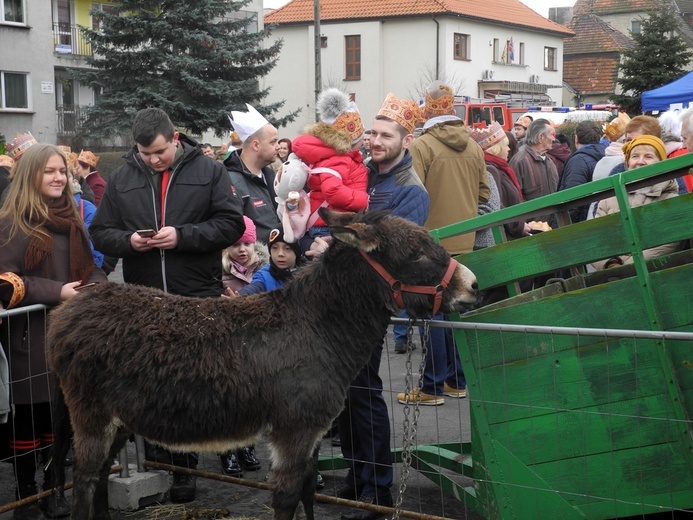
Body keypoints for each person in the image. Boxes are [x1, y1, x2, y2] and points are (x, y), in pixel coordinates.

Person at [90, 107, 244, 503]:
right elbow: (102, 232)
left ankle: (185, 470)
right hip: (145, 302)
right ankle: (158, 463)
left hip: (195, 296)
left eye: (158, 152)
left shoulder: (209, 172)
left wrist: (183, 236)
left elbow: (231, 223)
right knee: (152, 385)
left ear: (174, 139)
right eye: (145, 154)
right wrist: (130, 242)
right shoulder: (123, 177)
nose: (153, 160)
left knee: (193, 386)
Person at [335, 92, 430, 520]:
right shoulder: (360, 174)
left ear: (405, 140)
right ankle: (356, 479)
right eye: (371, 132)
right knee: (345, 394)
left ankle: (377, 491)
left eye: (385, 134)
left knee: (364, 392)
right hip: (336, 300)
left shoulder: (411, 192)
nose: (374, 140)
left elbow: (392, 255)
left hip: (367, 306)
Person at [0, 144, 107, 519]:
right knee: (32, 419)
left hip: (71, 338)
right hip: (29, 337)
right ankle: (27, 495)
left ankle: (54, 491)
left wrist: (96, 285)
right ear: (31, 175)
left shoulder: (73, 219)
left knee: (62, 417)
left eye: (62, 171)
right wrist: (55, 292)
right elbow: (5, 281)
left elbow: (91, 267)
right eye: (49, 171)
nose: (59, 177)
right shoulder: (11, 222)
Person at [404, 81, 488, 406]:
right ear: (452, 110)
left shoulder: (422, 146)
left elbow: (413, 196)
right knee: (457, 313)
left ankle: (431, 388)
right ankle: (457, 381)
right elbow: (484, 194)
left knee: (434, 315)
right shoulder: (474, 146)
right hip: (465, 240)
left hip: (432, 244)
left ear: (426, 110)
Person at [218, 216, 268, 477]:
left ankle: (247, 445)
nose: (242, 249)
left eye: (247, 243)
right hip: (230, 344)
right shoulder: (222, 274)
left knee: (252, 398)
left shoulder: (265, 270)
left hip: (257, 345)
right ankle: (227, 449)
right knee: (228, 398)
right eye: (236, 244)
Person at [291, 88, 369, 252]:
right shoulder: (337, 160)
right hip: (327, 226)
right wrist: (363, 200)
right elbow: (332, 190)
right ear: (352, 141)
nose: (363, 143)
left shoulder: (338, 158)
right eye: (361, 139)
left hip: (328, 222)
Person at [591, 135, 683, 270]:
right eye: (635, 156)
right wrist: (611, 265)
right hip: (613, 278)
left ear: (661, 162)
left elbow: (668, 244)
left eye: (648, 156)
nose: (640, 161)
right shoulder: (608, 199)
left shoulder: (670, 199)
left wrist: (629, 269)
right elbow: (598, 239)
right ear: (627, 164)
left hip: (657, 276)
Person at [225, 104, 283, 244]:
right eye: (273, 141)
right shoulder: (231, 181)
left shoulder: (270, 175)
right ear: (256, 145)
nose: (278, 146)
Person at [470, 122, 530, 240]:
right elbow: (497, 205)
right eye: (505, 145)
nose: (508, 149)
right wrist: (519, 226)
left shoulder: (500, 168)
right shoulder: (490, 170)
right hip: (505, 236)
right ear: (495, 148)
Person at [509, 118, 559, 223]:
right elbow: (514, 200)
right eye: (551, 135)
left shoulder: (549, 161)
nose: (554, 139)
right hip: (532, 229)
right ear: (540, 138)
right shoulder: (520, 161)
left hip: (549, 227)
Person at [557, 121, 606, 223]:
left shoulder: (578, 160)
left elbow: (571, 199)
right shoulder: (605, 154)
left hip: (581, 223)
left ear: (576, 138)